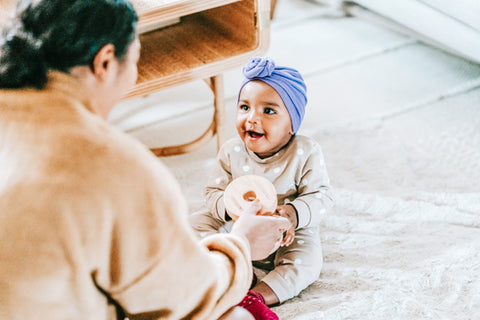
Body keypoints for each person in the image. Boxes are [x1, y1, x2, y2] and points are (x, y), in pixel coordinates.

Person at [0, 1, 290, 320]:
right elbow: (183, 299)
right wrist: (241, 245)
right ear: (106, 62)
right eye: (136, 60)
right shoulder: (111, 164)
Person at [190, 57, 335, 319]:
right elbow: (212, 192)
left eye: (268, 111)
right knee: (194, 224)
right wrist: (229, 211)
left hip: (285, 234)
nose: (252, 119)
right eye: (245, 107)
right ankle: (227, 272)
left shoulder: (304, 151)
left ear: (292, 123)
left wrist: (292, 214)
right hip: (236, 230)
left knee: (309, 260)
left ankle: (255, 295)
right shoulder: (232, 150)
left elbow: (322, 196)